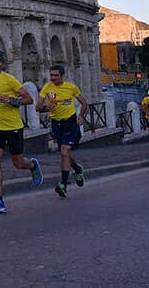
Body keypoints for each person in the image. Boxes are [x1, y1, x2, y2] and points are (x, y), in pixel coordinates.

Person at [0, 48, 42, 213]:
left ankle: (32, 165)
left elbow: (29, 99)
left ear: (0, 63)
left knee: (18, 163)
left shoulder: (10, 80)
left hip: (13, 127)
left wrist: (13, 100)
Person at [36, 65, 87, 198]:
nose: (53, 78)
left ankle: (63, 184)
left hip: (70, 122)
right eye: (51, 75)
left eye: (55, 75)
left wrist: (81, 117)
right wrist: (47, 107)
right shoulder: (47, 88)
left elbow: (84, 103)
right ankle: (77, 168)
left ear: (62, 76)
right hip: (56, 124)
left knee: (64, 151)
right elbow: (38, 107)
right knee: (65, 153)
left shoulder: (71, 87)